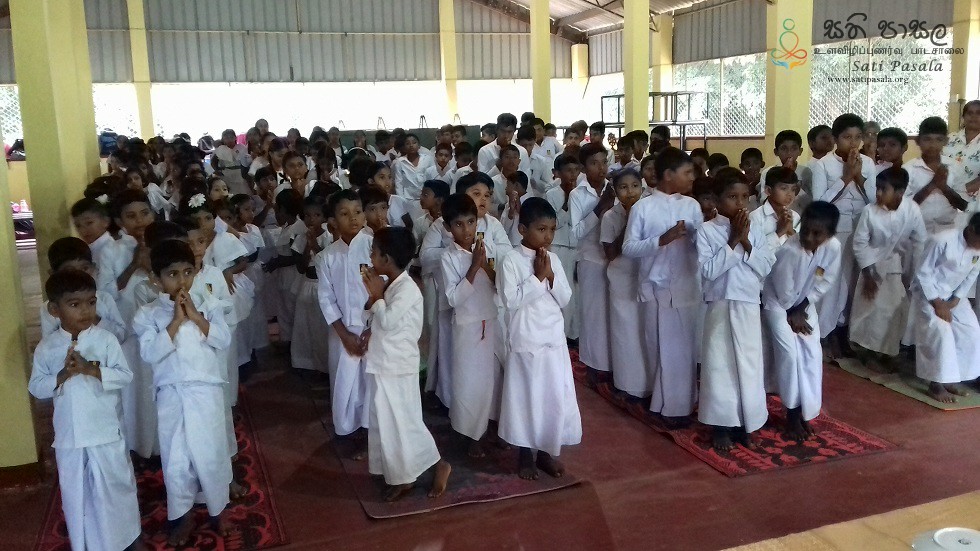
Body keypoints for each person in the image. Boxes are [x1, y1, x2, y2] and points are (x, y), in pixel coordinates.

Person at [29, 270, 143, 551]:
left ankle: (128, 538)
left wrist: (91, 369)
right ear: (54, 310)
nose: (85, 310)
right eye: (74, 304)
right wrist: (62, 375)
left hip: (105, 432)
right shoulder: (47, 347)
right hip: (70, 438)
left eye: (91, 302)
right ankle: (87, 543)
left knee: (116, 488)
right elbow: (37, 387)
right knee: (77, 495)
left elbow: (125, 375)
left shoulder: (105, 340)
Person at [134, 240, 233, 546]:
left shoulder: (208, 304)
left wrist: (196, 316)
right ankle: (183, 514)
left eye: (188, 272)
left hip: (206, 390)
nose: (181, 281)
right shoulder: (148, 314)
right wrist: (176, 322)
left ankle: (218, 508)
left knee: (211, 452)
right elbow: (150, 353)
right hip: (171, 393)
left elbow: (223, 340)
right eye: (172, 274)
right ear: (156, 279)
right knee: (176, 458)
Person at [362, 227, 452, 502]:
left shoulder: (408, 289)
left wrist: (377, 296)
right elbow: (374, 317)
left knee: (406, 423)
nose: (370, 257)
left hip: (399, 366)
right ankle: (403, 477)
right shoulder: (390, 284)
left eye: (374, 252)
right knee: (387, 424)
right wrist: (374, 296)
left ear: (386, 258)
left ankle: (439, 464)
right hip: (383, 362)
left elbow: (388, 321)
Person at [497, 197, 581, 480]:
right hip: (525, 339)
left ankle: (546, 452)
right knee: (526, 398)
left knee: (552, 397)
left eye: (552, 230)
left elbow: (565, 298)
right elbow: (511, 301)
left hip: (553, 339)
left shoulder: (553, 259)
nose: (548, 236)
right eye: (541, 229)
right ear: (522, 229)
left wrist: (551, 277)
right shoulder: (511, 260)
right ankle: (524, 453)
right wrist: (537, 278)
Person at [622, 147, 703, 426]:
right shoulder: (643, 207)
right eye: (687, 172)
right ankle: (663, 404)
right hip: (656, 287)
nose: (692, 177)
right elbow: (629, 248)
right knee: (661, 347)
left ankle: (683, 404)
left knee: (685, 349)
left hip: (686, 283)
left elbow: (702, 246)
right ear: (668, 175)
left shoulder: (692, 206)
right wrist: (661, 240)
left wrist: (696, 235)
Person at [696, 169, 775, 450]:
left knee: (749, 365)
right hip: (719, 304)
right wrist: (732, 239)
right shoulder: (707, 230)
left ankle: (747, 422)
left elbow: (766, 267)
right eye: (732, 197)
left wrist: (745, 239)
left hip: (748, 304)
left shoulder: (757, 230)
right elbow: (708, 271)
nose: (740, 203)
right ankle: (721, 426)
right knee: (720, 366)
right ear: (717, 200)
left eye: (745, 197)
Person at [763, 201, 842, 441]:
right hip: (778, 305)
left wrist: (802, 307)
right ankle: (792, 413)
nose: (808, 237)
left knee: (812, 354)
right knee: (790, 355)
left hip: (804, 305)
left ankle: (806, 412)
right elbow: (783, 292)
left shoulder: (833, 247)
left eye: (817, 234)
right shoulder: (790, 250)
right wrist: (792, 312)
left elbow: (826, 281)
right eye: (806, 230)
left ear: (830, 234)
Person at [439, 194, 503, 458]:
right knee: (467, 383)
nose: (466, 230)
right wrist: (474, 268)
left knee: (490, 381)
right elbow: (453, 298)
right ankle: (467, 434)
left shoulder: (489, 249)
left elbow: (501, 286)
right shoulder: (448, 257)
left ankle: (487, 428)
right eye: (458, 224)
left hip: (491, 320)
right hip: (466, 326)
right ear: (448, 227)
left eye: (470, 222)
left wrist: (486, 267)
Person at [809, 113, 876, 355]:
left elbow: (874, 201)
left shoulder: (867, 163)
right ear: (836, 139)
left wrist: (859, 177)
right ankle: (824, 332)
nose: (853, 143)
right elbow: (819, 203)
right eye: (847, 137)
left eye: (858, 137)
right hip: (835, 231)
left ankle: (845, 331)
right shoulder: (823, 165)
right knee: (832, 283)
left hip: (861, 230)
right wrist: (846, 178)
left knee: (853, 284)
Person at [848, 167, 927, 372]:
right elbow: (860, 243)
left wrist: (914, 274)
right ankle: (867, 353)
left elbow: (919, 242)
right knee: (870, 311)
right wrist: (868, 274)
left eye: (884, 189)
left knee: (894, 310)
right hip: (871, 266)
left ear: (900, 192)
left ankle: (888, 352)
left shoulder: (911, 209)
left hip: (896, 267)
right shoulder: (870, 211)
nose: (878, 193)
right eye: (877, 188)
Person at [314, 190, 373, 444]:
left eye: (358, 212)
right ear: (333, 222)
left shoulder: (374, 247)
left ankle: (371, 429)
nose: (353, 218)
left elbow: (384, 287)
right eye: (344, 214)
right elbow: (326, 298)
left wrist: (372, 328)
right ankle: (348, 431)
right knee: (345, 381)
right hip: (342, 330)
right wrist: (344, 334)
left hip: (372, 326)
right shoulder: (326, 256)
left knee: (371, 380)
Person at [910, 213, 980, 403]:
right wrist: (937, 303)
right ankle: (936, 383)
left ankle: (952, 378)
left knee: (971, 331)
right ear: (972, 230)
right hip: (928, 292)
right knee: (942, 332)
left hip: (953, 295)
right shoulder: (942, 240)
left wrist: (955, 300)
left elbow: (972, 274)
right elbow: (923, 272)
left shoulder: (977, 249)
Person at [600, 169, 649, 401]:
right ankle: (627, 384)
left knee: (645, 333)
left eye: (635, 186)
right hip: (621, 279)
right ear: (615, 191)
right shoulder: (611, 216)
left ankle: (649, 384)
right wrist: (628, 225)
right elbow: (610, 253)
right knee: (625, 333)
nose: (630, 192)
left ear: (642, 187)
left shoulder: (649, 211)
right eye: (623, 187)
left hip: (645, 278)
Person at [570, 143, 614, 384]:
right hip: (590, 259)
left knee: (611, 313)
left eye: (604, 162)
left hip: (614, 259)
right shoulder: (578, 194)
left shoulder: (615, 188)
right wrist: (599, 208)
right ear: (584, 168)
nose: (601, 168)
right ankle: (593, 365)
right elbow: (576, 233)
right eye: (594, 163)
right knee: (593, 314)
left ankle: (612, 362)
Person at [40, 237, 126, 343]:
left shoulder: (104, 299)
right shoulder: (51, 308)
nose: (79, 275)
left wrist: (95, 319)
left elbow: (120, 337)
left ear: (93, 268)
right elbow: (49, 344)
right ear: (53, 274)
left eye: (85, 268)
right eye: (70, 271)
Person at [289, 195, 332, 375]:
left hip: (322, 285)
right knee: (305, 325)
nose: (312, 219)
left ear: (324, 217)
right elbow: (301, 267)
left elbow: (327, 265)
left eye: (317, 215)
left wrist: (315, 244)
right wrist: (308, 245)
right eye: (307, 215)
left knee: (321, 327)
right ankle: (305, 363)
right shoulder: (301, 238)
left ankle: (324, 366)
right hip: (306, 284)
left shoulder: (329, 237)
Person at [905, 116, 970, 234]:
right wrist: (932, 185)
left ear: (946, 141)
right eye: (927, 139)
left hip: (948, 231)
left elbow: (964, 206)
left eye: (939, 140)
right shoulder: (908, 170)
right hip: (917, 231)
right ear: (918, 141)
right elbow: (903, 208)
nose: (933, 145)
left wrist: (944, 188)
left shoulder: (954, 167)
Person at [545, 154, 581, 342]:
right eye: (568, 171)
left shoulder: (582, 193)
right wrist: (567, 199)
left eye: (576, 170)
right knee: (562, 290)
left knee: (577, 292)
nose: (572, 175)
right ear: (558, 173)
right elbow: (554, 223)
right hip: (558, 245)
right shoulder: (551, 194)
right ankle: (562, 334)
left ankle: (575, 334)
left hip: (577, 246)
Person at [71, 197, 116, 294]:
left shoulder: (110, 249)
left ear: (106, 221)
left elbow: (108, 289)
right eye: (78, 226)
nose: (83, 230)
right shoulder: (88, 249)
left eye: (89, 223)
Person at [759, 130, 811, 213]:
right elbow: (764, 202)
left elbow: (809, 203)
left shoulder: (806, 172)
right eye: (784, 149)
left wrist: (796, 185)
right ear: (776, 152)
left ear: (800, 151)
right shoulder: (767, 172)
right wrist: (783, 174)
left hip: (799, 216)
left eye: (794, 149)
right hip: (774, 216)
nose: (789, 153)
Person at [750, 167, 801, 252]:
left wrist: (791, 231)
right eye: (784, 188)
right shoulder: (756, 217)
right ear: (768, 190)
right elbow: (754, 252)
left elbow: (802, 250)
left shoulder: (795, 216)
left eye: (793, 189)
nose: (789, 194)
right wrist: (779, 233)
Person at [392, 133, 432, 201]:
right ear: (404, 147)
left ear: (419, 145)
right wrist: (401, 200)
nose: (411, 145)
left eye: (414, 142)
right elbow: (399, 183)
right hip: (408, 199)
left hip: (425, 198)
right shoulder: (400, 162)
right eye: (407, 143)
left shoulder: (427, 159)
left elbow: (432, 178)